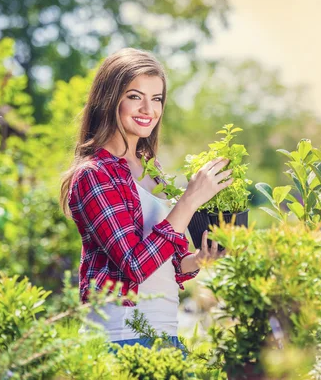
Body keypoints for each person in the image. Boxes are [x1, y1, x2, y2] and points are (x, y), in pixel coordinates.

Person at [59, 48, 233, 349]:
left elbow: (169, 261)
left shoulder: (153, 172)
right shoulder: (94, 174)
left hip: (165, 335)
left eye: (157, 99)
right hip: (119, 337)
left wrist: (200, 260)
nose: (148, 109)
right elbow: (135, 265)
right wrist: (189, 200)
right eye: (135, 96)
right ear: (110, 98)